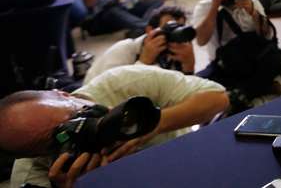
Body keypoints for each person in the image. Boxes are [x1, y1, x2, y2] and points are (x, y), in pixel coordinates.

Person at [1, 65, 228, 188]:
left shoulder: (122, 83)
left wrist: (155, 124)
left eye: (77, 114)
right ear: (33, 155)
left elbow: (218, 99)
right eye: (61, 136)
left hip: (189, 167)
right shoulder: (32, 178)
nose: (82, 128)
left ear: (64, 93)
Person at [192, 0, 281, 107]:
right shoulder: (204, 6)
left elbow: (267, 36)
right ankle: (259, 87)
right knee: (200, 84)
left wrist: (253, 13)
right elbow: (201, 41)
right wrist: (214, 6)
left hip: (252, 55)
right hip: (225, 62)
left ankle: (243, 92)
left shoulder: (251, 0)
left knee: (277, 58)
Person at [83, 6, 193, 83]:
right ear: (150, 30)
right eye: (170, 28)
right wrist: (144, 62)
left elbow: (185, 91)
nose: (176, 34)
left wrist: (189, 66)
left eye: (180, 28)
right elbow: (110, 89)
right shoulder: (124, 49)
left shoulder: (174, 52)